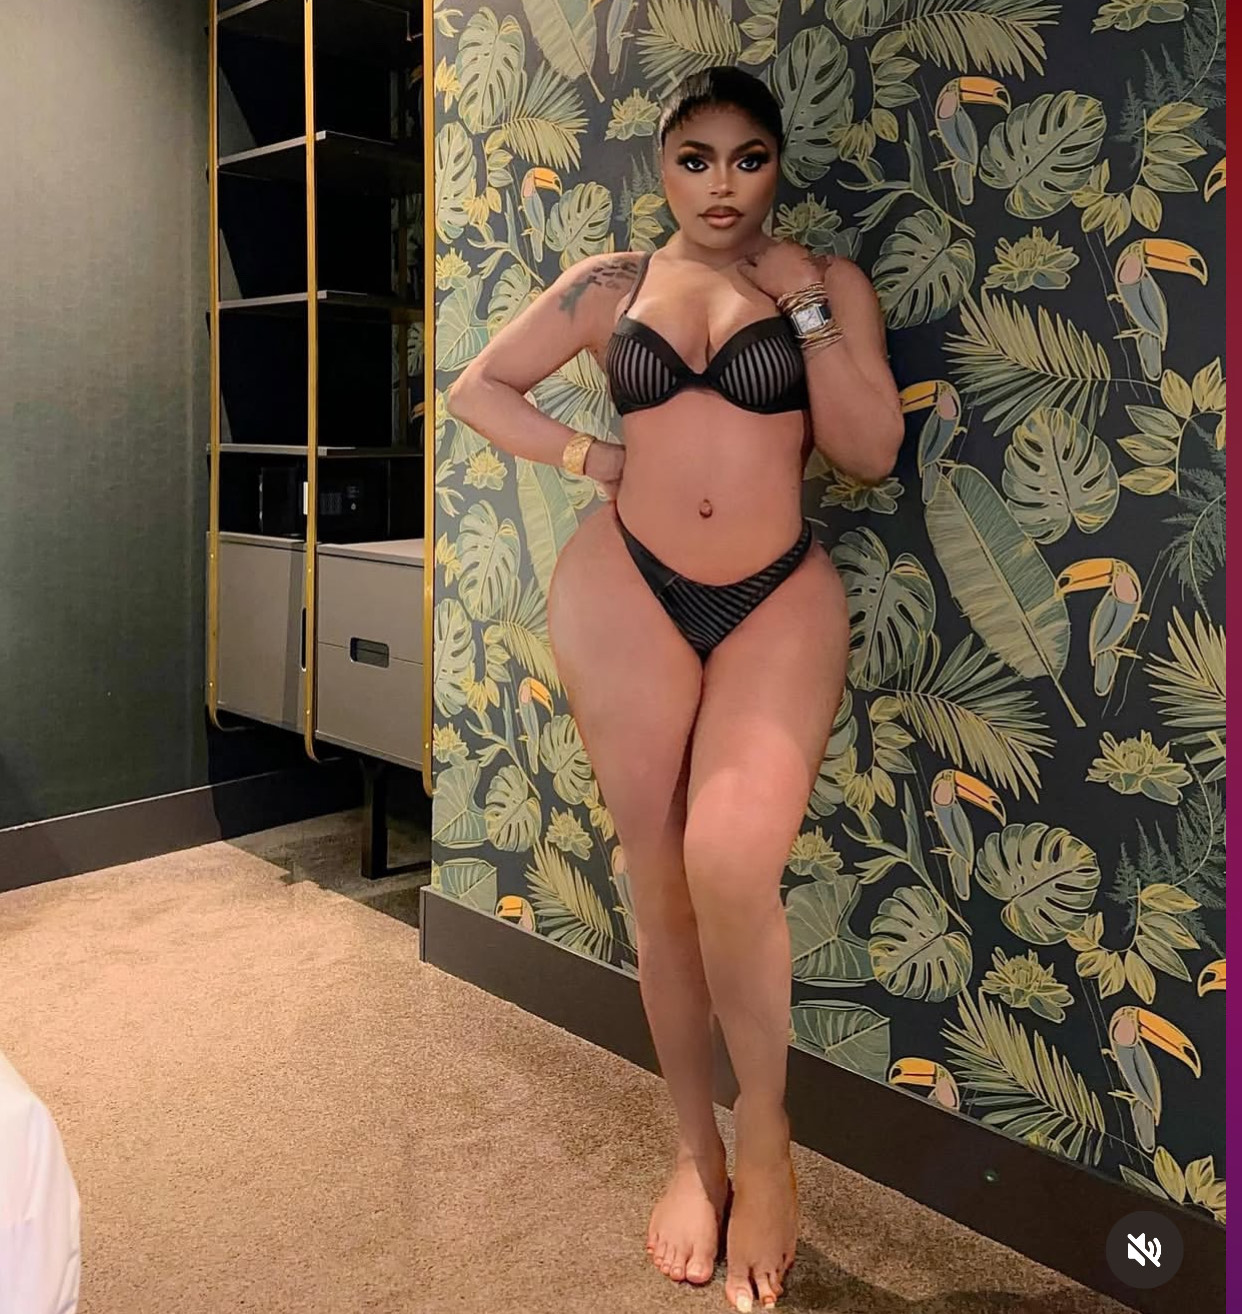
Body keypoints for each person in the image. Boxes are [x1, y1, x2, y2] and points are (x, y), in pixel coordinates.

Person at [447, 65, 903, 1313]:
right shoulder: (609, 286)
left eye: (748, 158)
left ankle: (768, 1140)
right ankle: (695, 1155)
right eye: (694, 158)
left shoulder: (824, 283)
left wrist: (803, 308)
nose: (721, 185)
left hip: (777, 593)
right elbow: (477, 388)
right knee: (656, 877)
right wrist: (589, 454)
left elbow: (868, 451)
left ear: (777, 165)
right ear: (661, 167)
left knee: (729, 863)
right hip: (626, 590)